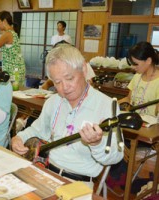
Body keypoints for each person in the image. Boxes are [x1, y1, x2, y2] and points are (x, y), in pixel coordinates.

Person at [11, 44, 123, 187]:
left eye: (69, 78)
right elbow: (38, 130)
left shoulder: (106, 105)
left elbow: (115, 156)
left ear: (83, 69)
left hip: (78, 183)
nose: (64, 87)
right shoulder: (53, 101)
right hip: (46, 174)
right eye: (57, 82)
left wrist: (97, 144)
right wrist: (19, 138)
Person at [107, 41, 159, 189]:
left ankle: (122, 178)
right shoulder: (137, 77)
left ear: (148, 61)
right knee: (110, 137)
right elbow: (129, 99)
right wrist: (112, 104)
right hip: (132, 125)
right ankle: (119, 176)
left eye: (135, 64)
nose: (133, 67)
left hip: (149, 129)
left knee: (118, 143)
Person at [0, 10, 26, 85]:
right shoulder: (11, 32)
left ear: (4, 21)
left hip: (13, 69)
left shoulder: (8, 34)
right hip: (16, 68)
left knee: (13, 93)